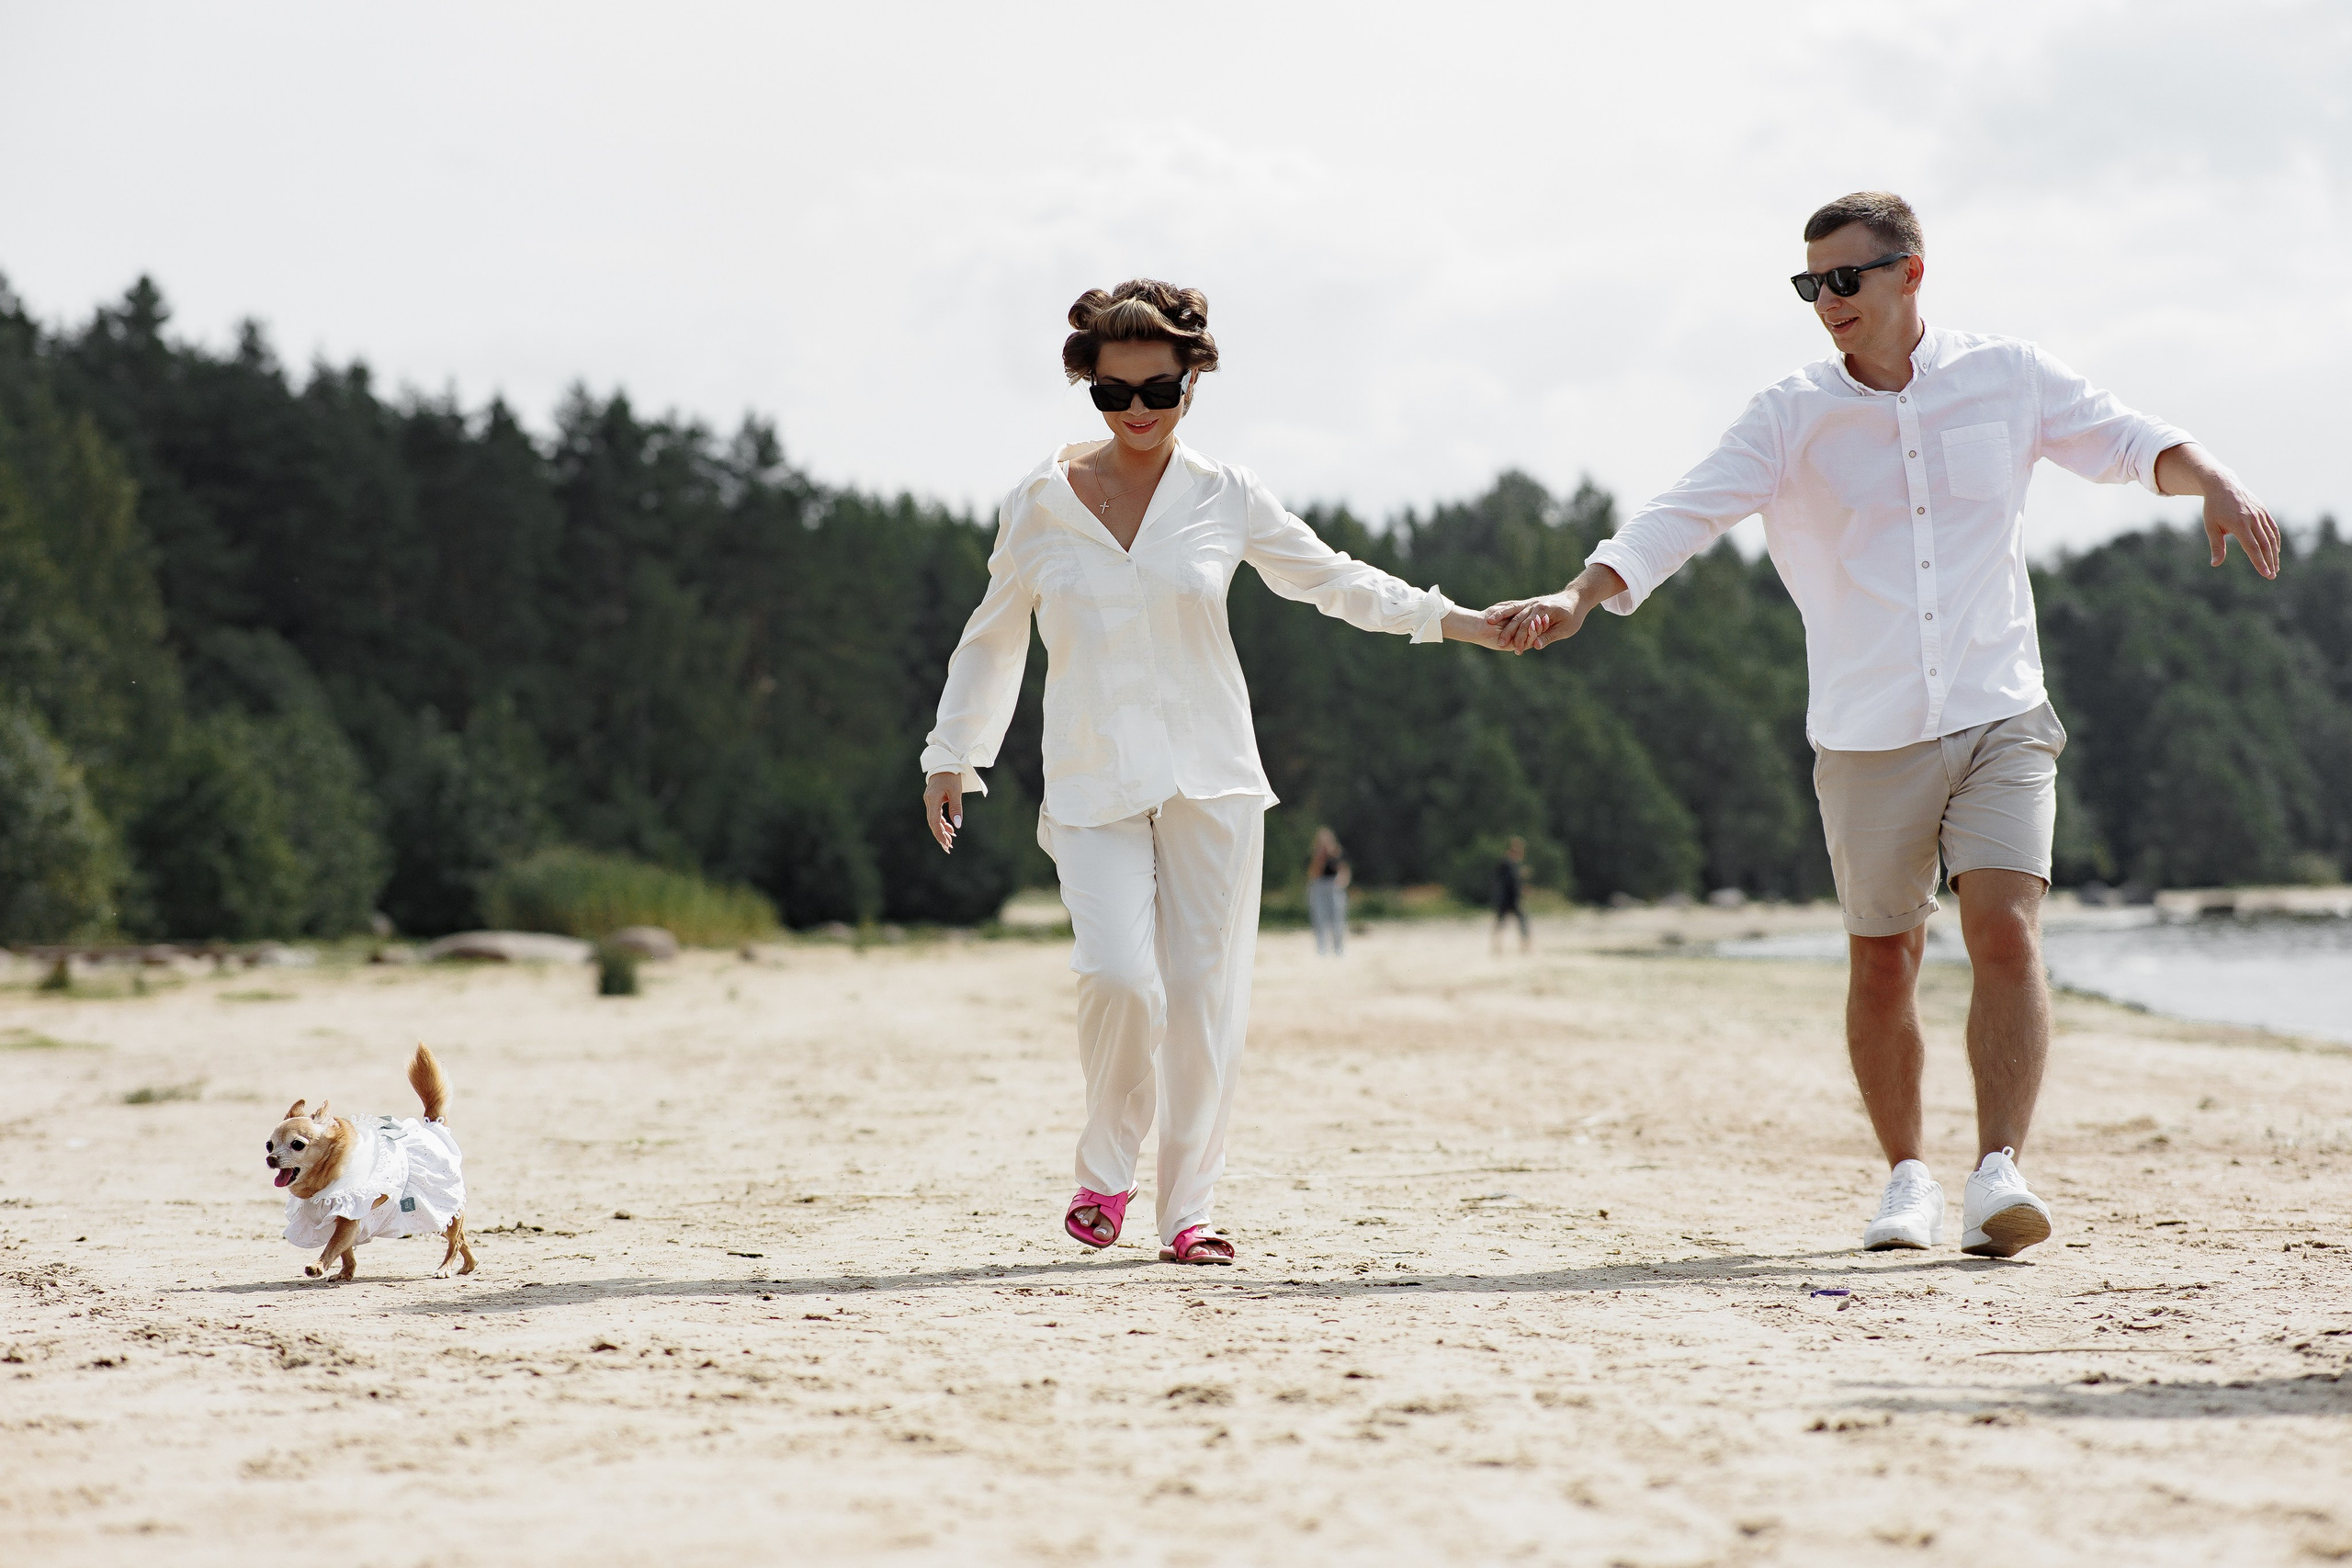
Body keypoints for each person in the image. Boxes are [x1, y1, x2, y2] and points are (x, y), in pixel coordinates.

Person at [1490, 192, 2279, 1258]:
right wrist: (1581, 596)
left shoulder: (2005, 376)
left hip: (1999, 706)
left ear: (1909, 274)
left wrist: (2212, 478)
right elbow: (1682, 512)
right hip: (1866, 729)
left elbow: (2127, 437)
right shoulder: (1787, 415)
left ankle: (1997, 1172)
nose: (1826, 302)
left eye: (1844, 280)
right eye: (1809, 285)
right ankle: (1905, 1178)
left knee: (2003, 928)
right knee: (1883, 961)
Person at [922, 280, 1510, 1266]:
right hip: (1090, 778)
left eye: (1159, 388)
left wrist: (1458, 620)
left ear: (1193, 381)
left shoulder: (1224, 495)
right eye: (1114, 394)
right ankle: (1104, 1169)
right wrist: (954, 754)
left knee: (1203, 1000)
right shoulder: (1038, 506)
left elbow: (1334, 581)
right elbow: (992, 640)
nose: (1138, 412)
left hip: (1214, 779)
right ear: (1089, 389)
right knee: (1118, 978)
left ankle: (1183, 1210)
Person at [1306, 827, 1350, 956]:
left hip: (1334, 887)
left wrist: (1342, 881)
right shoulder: (1315, 855)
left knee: (1338, 920)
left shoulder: (1338, 854)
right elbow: (1313, 874)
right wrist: (1320, 858)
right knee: (1319, 919)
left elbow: (1344, 870)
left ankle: (1339, 950)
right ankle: (1322, 949)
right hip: (1319, 886)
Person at [1492, 836, 1529, 954]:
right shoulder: (1508, 864)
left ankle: (1499, 946)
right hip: (1509, 898)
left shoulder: (1509, 864)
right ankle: (1522, 946)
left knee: (1503, 922)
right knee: (1519, 921)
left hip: (1506, 898)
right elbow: (1510, 883)